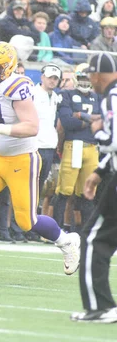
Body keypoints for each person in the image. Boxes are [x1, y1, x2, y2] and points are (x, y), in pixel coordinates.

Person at [0, 41, 81, 275]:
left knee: (26, 221)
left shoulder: (17, 87)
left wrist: (0, 128)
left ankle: (67, 241)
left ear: (9, 67)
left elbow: (32, 127)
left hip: (22, 159)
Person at [71, 52, 117, 323]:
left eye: (91, 74)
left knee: (93, 238)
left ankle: (100, 306)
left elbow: (112, 138)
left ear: (99, 74)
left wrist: (97, 127)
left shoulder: (112, 96)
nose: (90, 79)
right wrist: (99, 172)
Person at [54, 63, 101, 234]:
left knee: (88, 192)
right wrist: (89, 120)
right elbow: (67, 122)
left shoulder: (98, 97)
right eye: (82, 77)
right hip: (74, 145)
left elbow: (103, 121)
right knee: (65, 190)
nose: (84, 81)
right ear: (76, 77)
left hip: (92, 147)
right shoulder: (66, 94)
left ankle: (85, 232)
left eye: (87, 78)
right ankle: (55, 229)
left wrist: (80, 115)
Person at [33, 64, 61, 201]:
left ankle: (31, 218)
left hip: (49, 146)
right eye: (50, 77)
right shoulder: (32, 93)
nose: (53, 81)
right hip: (34, 145)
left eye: (56, 78)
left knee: (40, 184)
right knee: (29, 184)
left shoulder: (56, 96)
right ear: (42, 77)